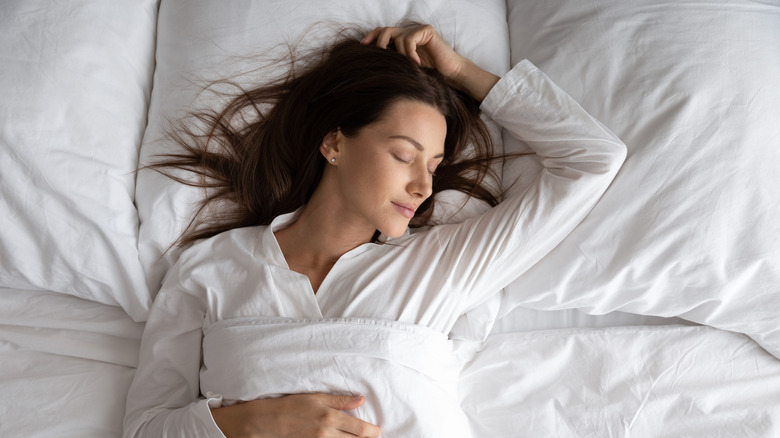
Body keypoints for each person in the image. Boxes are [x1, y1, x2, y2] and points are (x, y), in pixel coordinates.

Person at [124, 24, 626, 438]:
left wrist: (459, 71)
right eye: (404, 155)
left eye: (434, 165)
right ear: (335, 144)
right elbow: (144, 429)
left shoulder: (441, 265)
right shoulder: (211, 268)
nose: (423, 185)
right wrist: (255, 422)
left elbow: (592, 159)